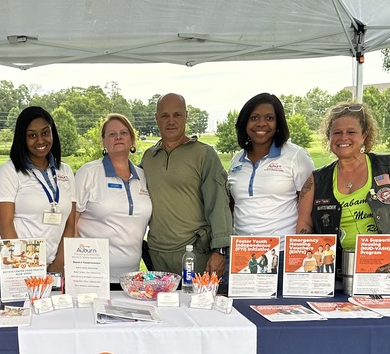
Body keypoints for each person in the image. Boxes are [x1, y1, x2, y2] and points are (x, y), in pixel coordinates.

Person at [296, 102, 390, 284]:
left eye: (351, 132)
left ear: (364, 136)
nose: (343, 138)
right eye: (337, 133)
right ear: (329, 137)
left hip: (383, 268)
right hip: (334, 274)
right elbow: (304, 224)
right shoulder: (316, 179)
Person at [140, 92, 231, 277]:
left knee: (196, 304)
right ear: (156, 118)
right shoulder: (149, 157)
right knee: (160, 305)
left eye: (177, 115)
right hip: (157, 255)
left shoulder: (204, 154)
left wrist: (220, 250)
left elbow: (218, 205)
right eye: (165, 115)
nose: (171, 121)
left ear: (186, 116)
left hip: (194, 255)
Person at [0, 106, 76, 275]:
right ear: (22, 138)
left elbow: (71, 223)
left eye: (45, 133)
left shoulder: (65, 171)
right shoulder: (9, 171)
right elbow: (5, 225)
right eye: (32, 135)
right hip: (14, 264)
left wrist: (59, 263)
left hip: (53, 265)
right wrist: (27, 268)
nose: (40, 140)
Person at [227, 93, 315, 242]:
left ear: (278, 123)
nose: (261, 123)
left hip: (281, 251)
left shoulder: (296, 156)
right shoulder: (237, 160)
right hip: (242, 252)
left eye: (269, 118)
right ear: (244, 123)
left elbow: (309, 208)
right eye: (254, 118)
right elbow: (233, 205)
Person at [75, 114, 152, 283]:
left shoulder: (143, 175)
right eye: (111, 134)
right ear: (103, 141)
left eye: (124, 133)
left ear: (132, 140)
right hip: (91, 275)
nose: (118, 137)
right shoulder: (89, 173)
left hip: (131, 278)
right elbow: (71, 221)